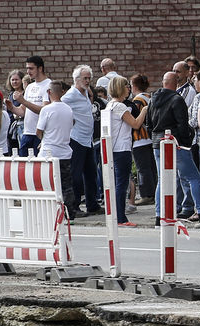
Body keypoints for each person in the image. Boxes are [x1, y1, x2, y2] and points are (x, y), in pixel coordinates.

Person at [145, 70, 200, 226]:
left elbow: (148, 124)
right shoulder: (177, 100)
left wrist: (155, 138)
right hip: (175, 143)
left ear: (163, 82)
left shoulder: (152, 99)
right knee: (193, 176)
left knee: (162, 179)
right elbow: (182, 124)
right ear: (176, 83)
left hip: (157, 143)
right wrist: (185, 141)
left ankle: (159, 215)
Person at [105, 77, 147, 228]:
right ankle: (121, 218)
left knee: (118, 183)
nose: (129, 88)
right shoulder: (120, 106)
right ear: (120, 88)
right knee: (121, 184)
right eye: (126, 86)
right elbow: (135, 124)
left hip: (113, 148)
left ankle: (117, 216)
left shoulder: (110, 105)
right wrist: (144, 110)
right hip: (122, 148)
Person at [63, 65, 102, 216]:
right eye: (85, 78)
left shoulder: (86, 92)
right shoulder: (71, 94)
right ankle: (74, 206)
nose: (87, 81)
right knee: (76, 174)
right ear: (76, 79)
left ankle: (92, 204)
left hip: (87, 139)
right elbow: (60, 103)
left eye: (89, 78)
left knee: (91, 173)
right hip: (76, 138)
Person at [36, 80, 77, 218]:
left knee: (47, 184)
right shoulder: (68, 109)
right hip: (65, 152)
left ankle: (49, 214)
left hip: (48, 153)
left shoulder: (46, 109)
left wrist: (43, 139)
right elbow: (72, 124)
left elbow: (39, 131)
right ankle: (69, 214)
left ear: (49, 92)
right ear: (62, 92)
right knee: (66, 185)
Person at [11, 55, 51, 155]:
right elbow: (22, 111)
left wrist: (23, 101)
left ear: (40, 68)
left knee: (38, 163)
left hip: (40, 134)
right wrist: (11, 107)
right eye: (27, 68)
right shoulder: (30, 87)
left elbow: (44, 110)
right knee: (23, 162)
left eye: (31, 68)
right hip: (27, 132)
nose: (28, 72)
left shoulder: (49, 85)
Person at [129, 74, 156, 206]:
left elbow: (135, 120)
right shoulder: (150, 97)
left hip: (140, 138)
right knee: (151, 168)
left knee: (142, 168)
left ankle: (146, 195)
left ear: (134, 86)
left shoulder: (138, 100)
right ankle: (154, 193)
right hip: (150, 138)